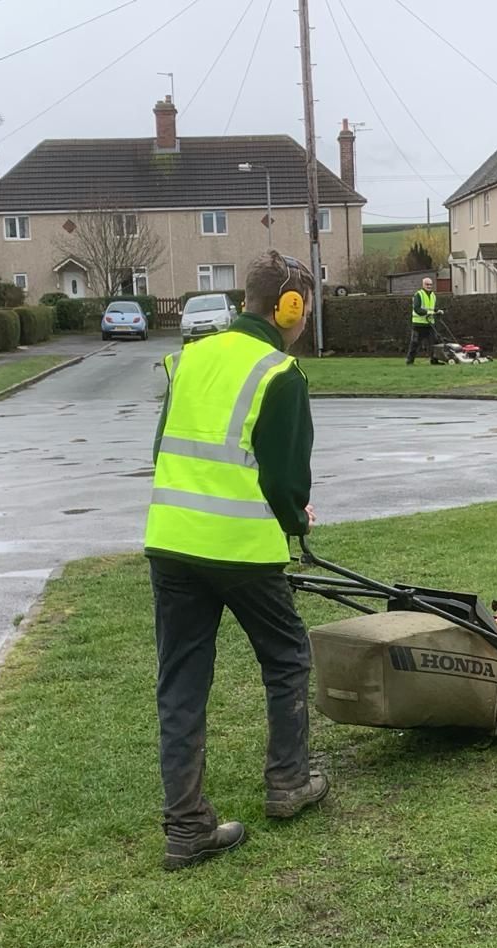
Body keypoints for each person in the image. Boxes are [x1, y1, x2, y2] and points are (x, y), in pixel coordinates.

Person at [144, 250, 330, 871]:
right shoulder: (280, 373)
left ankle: (187, 826)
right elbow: (285, 481)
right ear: (289, 306)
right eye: (304, 306)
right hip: (242, 550)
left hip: (171, 544)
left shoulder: (188, 359)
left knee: (182, 680)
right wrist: (293, 515)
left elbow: (161, 451)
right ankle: (288, 782)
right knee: (286, 657)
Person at [406, 277, 441, 365]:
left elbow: (433, 308)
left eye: (430, 284)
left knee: (434, 343)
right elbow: (417, 309)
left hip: (430, 324)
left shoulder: (433, 295)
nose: (429, 286)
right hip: (418, 324)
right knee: (415, 343)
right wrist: (427, 312)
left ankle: (434, 360)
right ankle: (410, 361)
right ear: (423, 285)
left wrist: (438, 311)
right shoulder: (418, 295)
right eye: (427, 284)